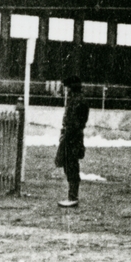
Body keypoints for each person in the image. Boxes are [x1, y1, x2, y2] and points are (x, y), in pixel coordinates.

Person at [54, 75, 90, 208]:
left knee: (71, 165)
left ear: (71, 88)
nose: (66, 91)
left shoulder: (77, 101)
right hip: (72, 136)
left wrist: (66, 136)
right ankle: (72, 195)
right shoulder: (77, 100)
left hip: (72, 137)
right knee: (69, 164)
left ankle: (73, 197)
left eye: (67, 88)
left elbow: (74, 122)